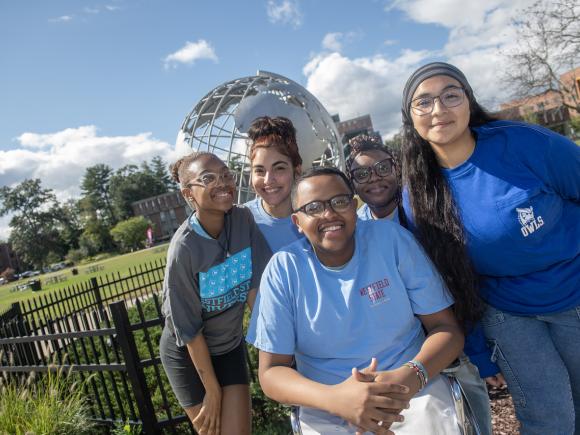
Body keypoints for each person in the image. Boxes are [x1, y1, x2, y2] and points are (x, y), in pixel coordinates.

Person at [400, 61, 580, 435]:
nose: (439, 110)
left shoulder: (527, 144)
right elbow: (449, 279)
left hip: (572, 292)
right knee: (550, 420)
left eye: (451, 95)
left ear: (469, 100)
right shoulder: (417, 195)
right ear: (410, 118)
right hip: (506, 312)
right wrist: (479, 351)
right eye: (424, 102)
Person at [248, 166, 465, 435]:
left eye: (339, 202)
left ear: (354, 206)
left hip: (412, 390)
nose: (329, 214)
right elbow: (271, 373)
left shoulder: (392, 240)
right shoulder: (283, 270)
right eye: (313, 207)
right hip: (326, 405)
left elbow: (447, 330)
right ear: (297, 222)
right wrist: (336, 399)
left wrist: (410, 377)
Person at [346, 134, 493, 435]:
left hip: (450, 337)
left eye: (382, 168)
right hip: (402, 350)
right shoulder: (357, 230)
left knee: (473, 420)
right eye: (362, 173)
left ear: (397, 168)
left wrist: (480, 358)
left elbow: (460, 280)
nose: (374, 178)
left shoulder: (425, 213)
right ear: (353, 184)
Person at [159, 152, 271, 435]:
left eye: (225, 175)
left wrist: (274, 352)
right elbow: (189, 330)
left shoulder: (242, 220)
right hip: (189, 355)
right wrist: (213, 391)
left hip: (228, 347)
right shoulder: (183, 249)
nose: (222, 182)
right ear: (188, 194)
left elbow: (256, 294)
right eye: (208, 178)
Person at [245, 116, 304, 252]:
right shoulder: (241, 222)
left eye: (279, 168)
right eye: (259, 170)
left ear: (297, 170)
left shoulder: (316, 218)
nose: (268, 180)